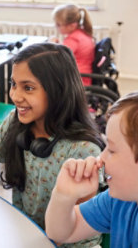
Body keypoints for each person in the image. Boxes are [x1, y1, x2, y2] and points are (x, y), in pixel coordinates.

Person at [0, 43, 105, 247]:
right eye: (13, 84)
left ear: (57, 91)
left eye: (28, 87)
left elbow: (71, 231)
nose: (15, 96)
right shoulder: (17, 122)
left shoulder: (83, 150)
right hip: (28, 236)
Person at [45, 92, 138, 247]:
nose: (101, 157)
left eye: (112, 150)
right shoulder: (120, 201)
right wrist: (64, 195)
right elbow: (60, 233)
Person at [51, 4, 95, 86]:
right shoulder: (82, 34)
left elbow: (57, 58)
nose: (56, 26)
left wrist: (51, 45)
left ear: (72, 25)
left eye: (58, 24)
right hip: (83, 76)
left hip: (76, 79)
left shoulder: (73, 39)